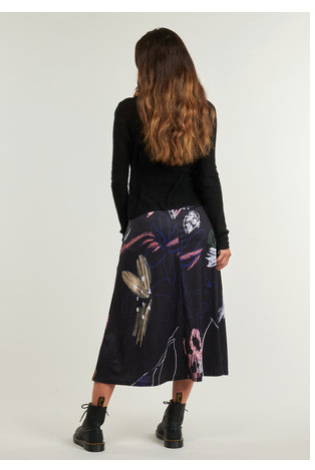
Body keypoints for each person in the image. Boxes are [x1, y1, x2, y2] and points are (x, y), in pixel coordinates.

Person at [73, 27, 232, 452]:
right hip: (196, 231)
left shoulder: (129, 111)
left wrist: (132, 229)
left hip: (147, 230)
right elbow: (209, 179)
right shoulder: (204, 112)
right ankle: (174, 422)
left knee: (125, 324)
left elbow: (117, 180)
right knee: (192, 321)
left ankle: (94, 425)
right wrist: (222, 237)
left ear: (148, 66)